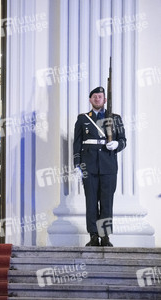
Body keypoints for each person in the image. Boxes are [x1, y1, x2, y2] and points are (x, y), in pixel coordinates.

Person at [73, 86, 126, 247]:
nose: (97, 99)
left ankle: (105, 236)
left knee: (106, 202)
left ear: (105, 100)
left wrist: (117, 144)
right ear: (90, 100)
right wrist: (77, 164)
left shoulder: (115, 118)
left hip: (108, 166)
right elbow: (77, 143)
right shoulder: (83, 119)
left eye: (100, 96)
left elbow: (123, 140)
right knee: (91, 201)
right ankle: (94, 235)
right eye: (94, 96)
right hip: (88, 166)